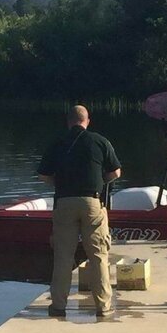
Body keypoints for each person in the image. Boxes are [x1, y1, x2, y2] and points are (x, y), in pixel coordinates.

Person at [37, 105, 122, 317]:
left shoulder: (57, 143)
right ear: (87, 121)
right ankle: (103, 306)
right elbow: (116, 172)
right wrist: (100, 182)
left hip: (64, 202)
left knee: (63, 257)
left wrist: (59, 183)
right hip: (92, 202)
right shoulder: (100, 141)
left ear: (68, 121)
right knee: (98, 255)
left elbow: (43, 176)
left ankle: (58, 306)